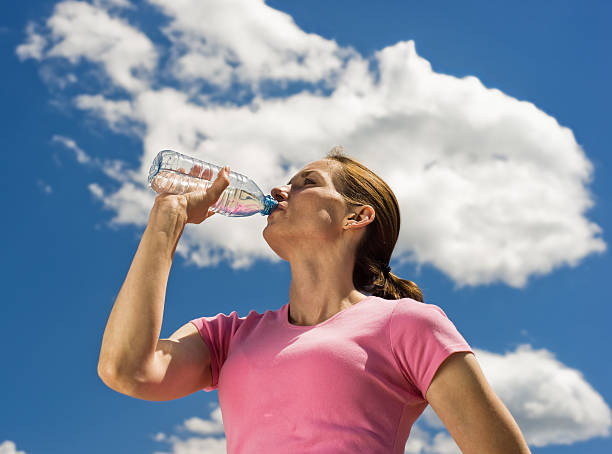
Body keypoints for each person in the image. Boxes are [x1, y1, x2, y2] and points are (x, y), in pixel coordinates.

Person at [98, 146, 532, 453]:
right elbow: (126, 370)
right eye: (286, 183)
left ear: (356, 216)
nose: (280, 191)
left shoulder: (408, 324)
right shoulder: (227, 337)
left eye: (306, 182)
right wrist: (167, 218)